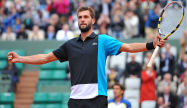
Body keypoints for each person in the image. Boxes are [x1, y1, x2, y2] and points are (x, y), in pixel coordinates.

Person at [8, 6, 166, 108]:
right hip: (76, 100)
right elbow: (45, 58)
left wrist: (151, 45)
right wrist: (20, 59)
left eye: (85, 17)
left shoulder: (103, 40)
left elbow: (128, 47)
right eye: (80, 17)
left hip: (97, 99)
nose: (82, 20)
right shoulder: (69, 45)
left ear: (93, 20)